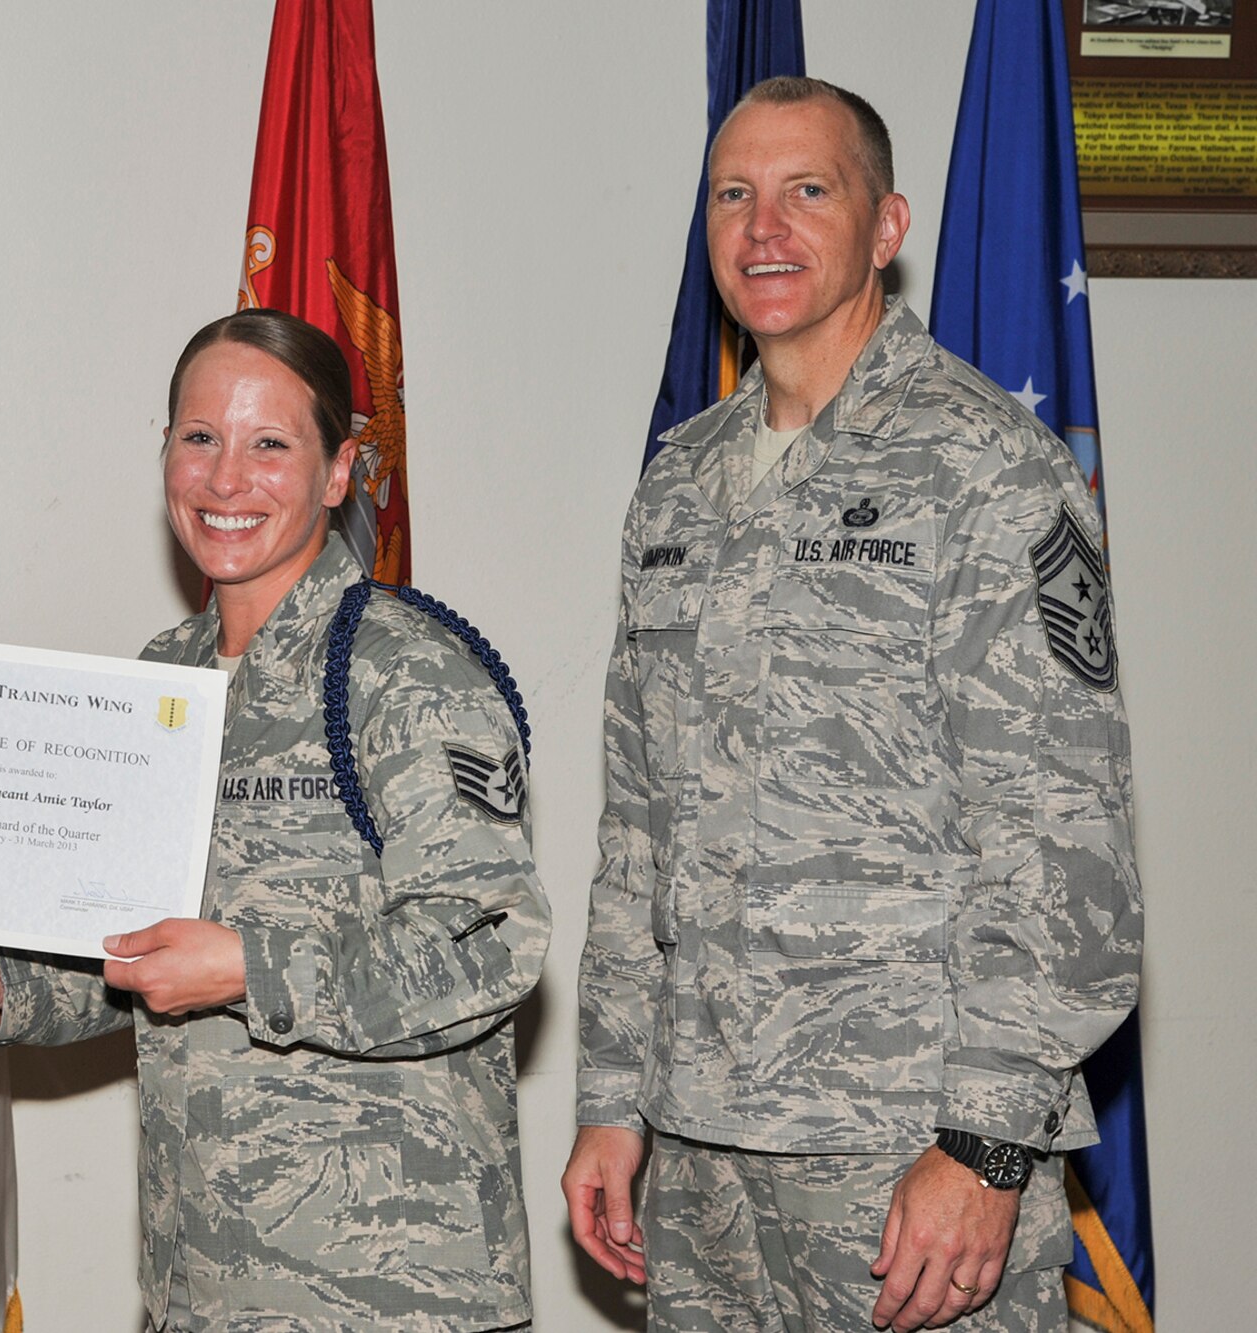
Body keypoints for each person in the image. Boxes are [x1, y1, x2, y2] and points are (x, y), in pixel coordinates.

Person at [0, 308, 550, 1329]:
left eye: (270, 444)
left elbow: (490, 944)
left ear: (339, 470)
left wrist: (250, 967)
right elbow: (118, 955)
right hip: (198, 1281)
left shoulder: (406, 675)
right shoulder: (157, 683)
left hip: (389, 1292)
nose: (225, 479)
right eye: (198, 438)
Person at [564, 78, 1142, 1333]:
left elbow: (1060, 834)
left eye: (803, 192)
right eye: (732, 195)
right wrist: (610, 1096)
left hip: (903, 1154)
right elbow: (635, 830)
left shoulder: (985, 466)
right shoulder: (676, 484)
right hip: (702, 1151)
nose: (760, 229)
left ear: (885, 227)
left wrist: (987, 1147)